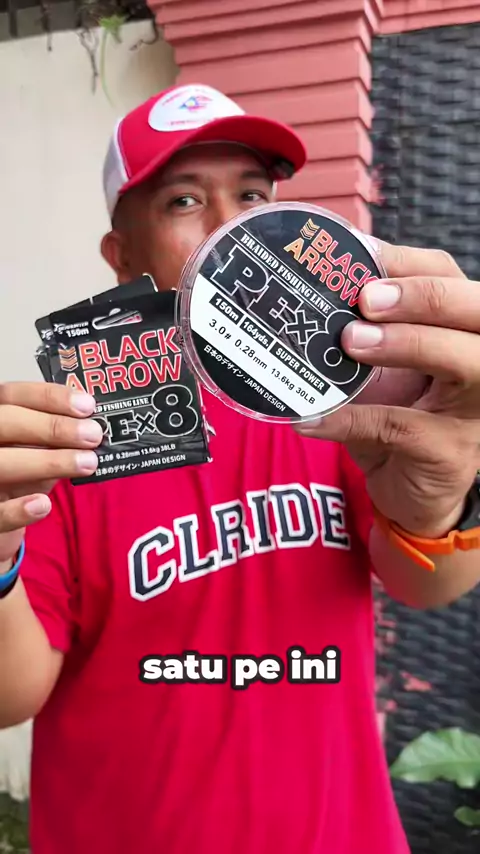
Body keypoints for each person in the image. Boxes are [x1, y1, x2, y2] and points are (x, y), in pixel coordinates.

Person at [0, 83, 479, 854]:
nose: (229, 225)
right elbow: (12, 694)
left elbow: (428, 584)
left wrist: (442, 493)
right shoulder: (71, 432)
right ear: (122, 257)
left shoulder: (338, 399)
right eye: (184, 201)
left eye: (252, 195)